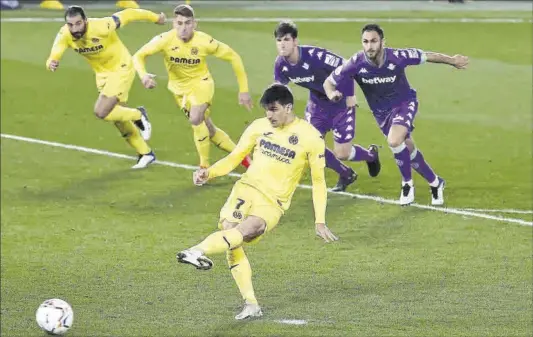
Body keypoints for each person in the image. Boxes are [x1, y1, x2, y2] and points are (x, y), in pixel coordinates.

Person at [176, 84, 338, 320]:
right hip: (246, 189)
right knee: (232, 237)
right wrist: (208, 172)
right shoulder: (259, 127)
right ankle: (251, 304)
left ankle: (195, 250)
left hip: (273, 201)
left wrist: (320, 220)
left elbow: (319, 182)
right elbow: (235, 157)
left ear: (288, 107)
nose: (269, 116)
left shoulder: (310, 137)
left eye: (273, 110)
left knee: (251, 228)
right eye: (266, 111)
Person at [324, 23, 469, 205]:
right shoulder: (355, 63)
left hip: (404, 104)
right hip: (381, 113)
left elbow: (427, 55)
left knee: (394, 141)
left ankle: (407, 184)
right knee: (408, 149)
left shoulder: (397, 57)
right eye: (366, 42)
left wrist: (452, 60)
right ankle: (436, 182)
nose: (369, 46)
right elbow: (328, 82)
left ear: (383, 42)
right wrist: (332, 94)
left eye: (374, 41)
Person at [133, 4, 252, 172]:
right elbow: (138, 56)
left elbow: (233, 56)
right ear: (174, 24)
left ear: (195, 24)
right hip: (179, 91)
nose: (183, 28)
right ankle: (243, 157)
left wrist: (244, 89)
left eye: (187, 23)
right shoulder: (164, 40)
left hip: (202, 84)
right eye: (179, 23)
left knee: (196, 119)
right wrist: (143, 76)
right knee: (209, 130)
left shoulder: (204, 41)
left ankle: (204, 167)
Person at [46, 6, 165, 169]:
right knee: (118, 119)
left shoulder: (102, 26)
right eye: (70, 25)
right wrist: (52, 61)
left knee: (101, 111)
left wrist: (156, 17)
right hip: (102, 75)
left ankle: (139, 114)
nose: (74, 29)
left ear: (85, 21)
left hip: (121, 67)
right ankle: (145, 153)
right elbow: (56, 51)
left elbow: (129, 14)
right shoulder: (65, 34)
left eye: (78, 24)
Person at [273, 21, 381, 192]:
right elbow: (280, 88)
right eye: (279, 40)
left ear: (295, 41)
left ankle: (370, 155)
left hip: (340, 102)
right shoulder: (281, 64)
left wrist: (351, 95)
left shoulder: (316, 56)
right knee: (311, 146)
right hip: (317, 106)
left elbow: (348, 67)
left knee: (343, 153)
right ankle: (346, 174)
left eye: (286, 39)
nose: (282, 44)